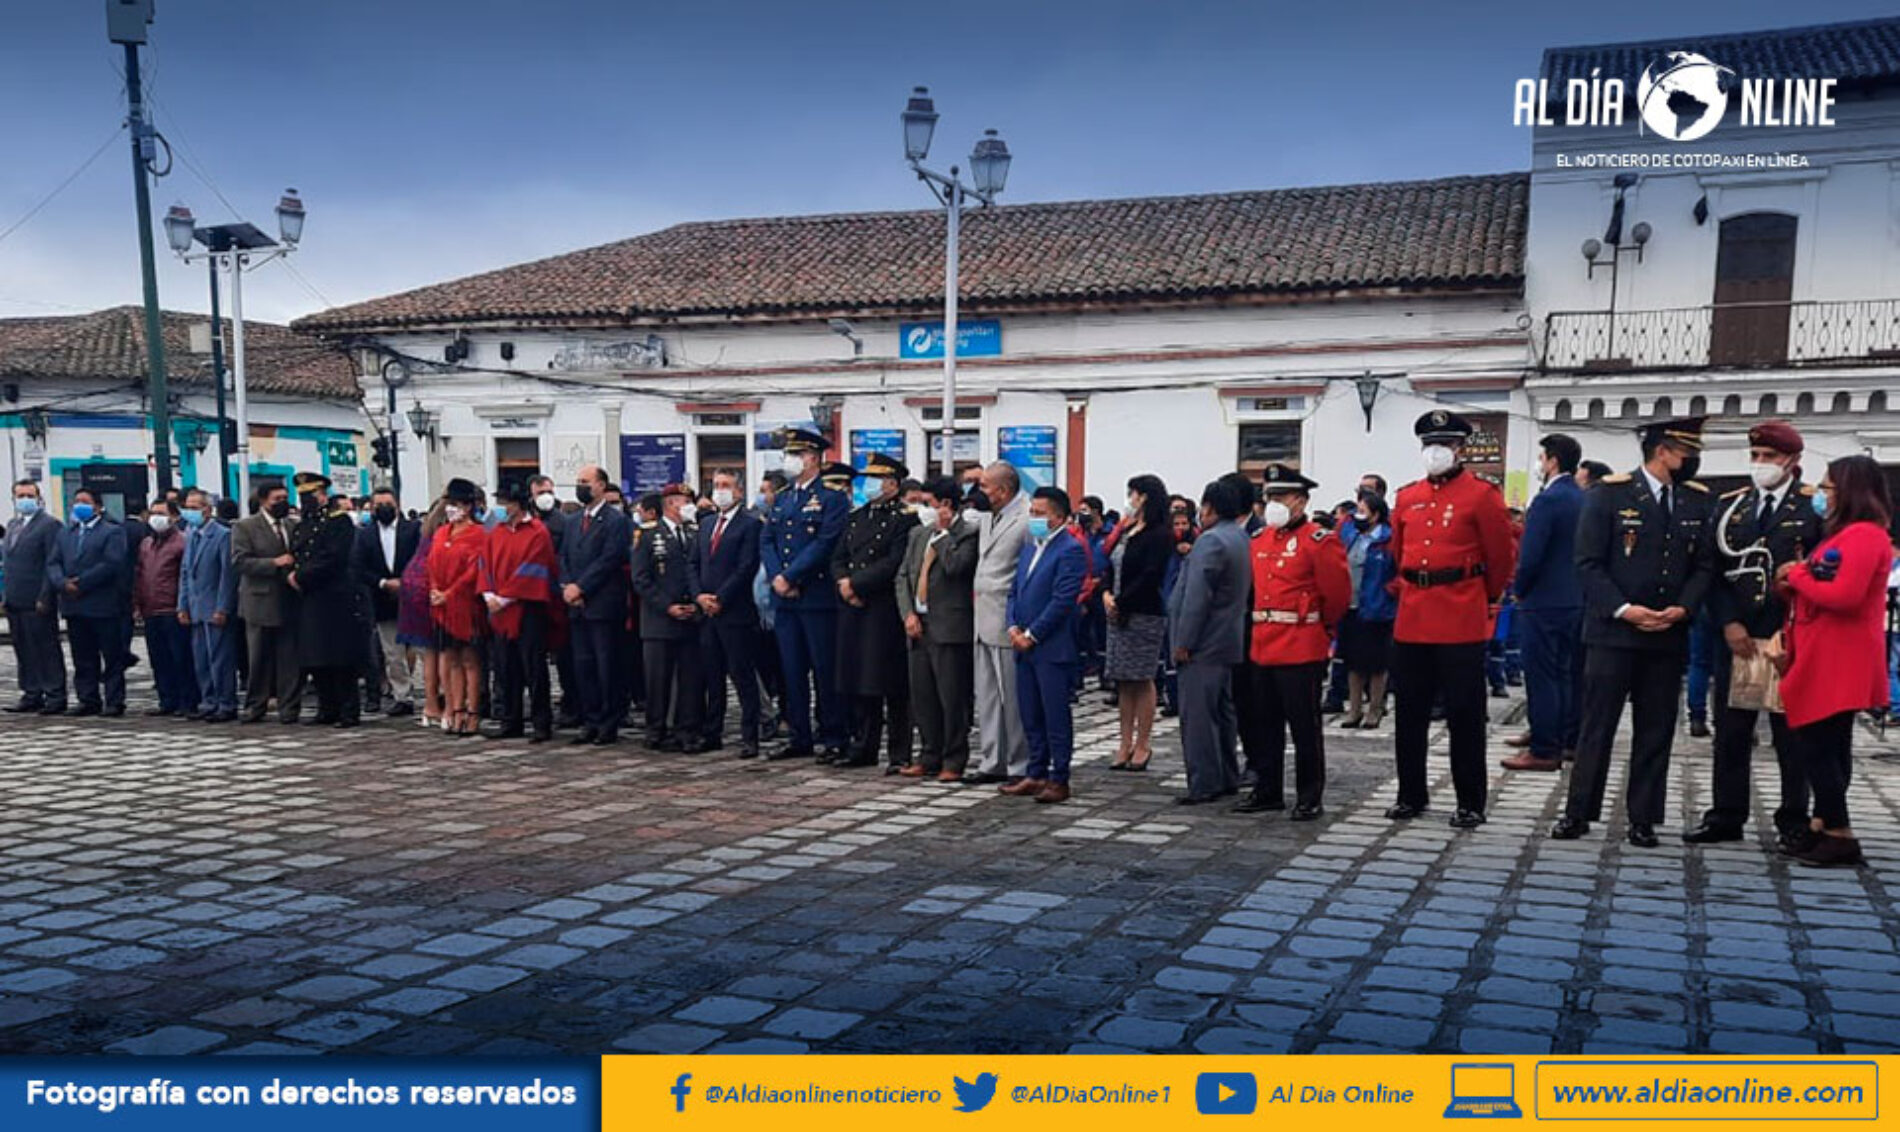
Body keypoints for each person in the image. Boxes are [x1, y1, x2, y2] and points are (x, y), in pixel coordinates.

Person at [1552, 417, 1715, 847]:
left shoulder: (1696, 501)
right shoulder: (1611, 494)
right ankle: (1579, 812)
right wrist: (1625, 609)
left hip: (1666, 634)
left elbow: (1704, 565)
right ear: (1662, 451)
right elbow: (1588, 562)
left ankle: (1642, 817)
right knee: (1597, 727)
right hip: (1614, 632)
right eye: (1686, 452)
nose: (1692, 461)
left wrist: (1684, 607)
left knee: (1656, 728)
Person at [1682, 421, 1826, 848]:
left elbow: (1821, 568)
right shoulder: (1733, 506)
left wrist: (1792, 629)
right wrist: (1728, 622)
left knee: (1791, 733)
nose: (1760, 465)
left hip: (1788, 636)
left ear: (1792, 462)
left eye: (1770, 458)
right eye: (1756, 457)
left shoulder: (1812, 507)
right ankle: (1726, 814)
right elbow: (1713, 570)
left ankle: (1793, 818)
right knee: (1731, 731)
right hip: (1739, 636)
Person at [1387, 410, 1517, 828]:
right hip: (1413, 613)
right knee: (1409, 712)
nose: (1436, 452)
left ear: (1461, 449)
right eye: (1429, 445)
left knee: (1464, 713)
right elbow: (1398, 553)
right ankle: (1411, 793)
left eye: (1444, 445)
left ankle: (1470, 800)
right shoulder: (1407, 496)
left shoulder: (1481, 495)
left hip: (1460, 612)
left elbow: (1500, 557)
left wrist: (1485, 597)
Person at [1775, 455, 1894, 866]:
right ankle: (1822, 823)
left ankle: (1840, 832)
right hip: (1822, 649)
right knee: (1826, 743)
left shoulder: (1864, 536)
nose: (1822, 496)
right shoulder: (1841, 536)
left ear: (1849, 491)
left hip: (1840, 656)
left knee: (1819, 746)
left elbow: (1844, 596)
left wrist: (1798, 576)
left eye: (1827, 488)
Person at [1233, 465, 1351, 819]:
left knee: (1304, 727)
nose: (1272, 504)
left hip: (1301, 645)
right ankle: (1267, 789)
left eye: (1280, 497)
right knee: (1263, 723)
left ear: (1300, 501)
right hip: (1263, 644)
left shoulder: (1320, 540)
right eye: (1269, 497)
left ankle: (1308, 795)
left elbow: (1337, 596)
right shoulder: (1260, 541)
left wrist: (1322, 630)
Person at [762, 429, 850, 761]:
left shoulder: (832, 497)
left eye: (795, 454)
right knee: (791, 670)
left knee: (823, 669)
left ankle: (833, 735)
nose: (789, 460)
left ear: (813, 457)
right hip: (785, 598)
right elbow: (767, 539)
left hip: (816, 596)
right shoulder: (784, 497)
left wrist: (791, 574)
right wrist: (776, 577)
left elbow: (826, 543)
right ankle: (799, 735)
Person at [998, 486, 1088, 804]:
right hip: (1022, 643)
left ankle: (1058, 777)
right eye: (1031, 512)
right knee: (1030, 714)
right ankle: (1035, 773)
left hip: (1050, 647)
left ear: (1059, 517)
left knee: (1055, 716)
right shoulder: (1029, 548)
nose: (1033, 518)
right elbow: (1014, 592)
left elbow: (1062, 601)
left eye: (1040, 513)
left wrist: (1032, 634)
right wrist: (1011, 626)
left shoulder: (1069, 549)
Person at [1501, 434, 1585, 773]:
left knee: (1542, 676)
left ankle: (1543, 746)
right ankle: (1565, 738)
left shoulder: (1548, 501)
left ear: (1552, 461)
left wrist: (1519, 587)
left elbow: (1531, 555)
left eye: (1541, 457)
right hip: (1574, 599)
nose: (1539, 463)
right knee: (1566, 674)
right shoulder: (1581, 497)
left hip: (1544, 600)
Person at [1169, 473, 1253, 805]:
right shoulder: (1240, 538)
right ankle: (1227, 775)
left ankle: (1204, 782)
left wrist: (1184, 641)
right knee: (1223, 714)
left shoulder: (1210, 541)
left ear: (1211, 507)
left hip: (1203, 642)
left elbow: (1197, 598)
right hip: (1227, 639)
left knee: (1199, 717)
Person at [831, 453, 918, 771]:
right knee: (859, 681)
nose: (868, 485)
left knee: (892, 684)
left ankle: (899, 752)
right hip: (853, 608)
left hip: (882, 608)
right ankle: (863, 746)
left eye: (875, 480)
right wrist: (843, 582)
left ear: (892, 484)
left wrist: (856, 584)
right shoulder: (857, 517)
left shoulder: (904, 517)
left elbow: (894, 562)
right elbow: (838, 555)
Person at [895, 476, 980, 780]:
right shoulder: (917, 534)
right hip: (919, 624)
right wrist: (908, 614)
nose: (921, 509)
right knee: (923, 697)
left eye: (927, 503)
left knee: (951, 696)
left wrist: (944, 534)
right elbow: (903, 576)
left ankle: (953, 759)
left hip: (950, 625)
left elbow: (956, 568)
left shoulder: (967, 534)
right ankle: (928, 754)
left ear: (945, 505)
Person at [689, 469, 764, 758]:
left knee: (742, 676)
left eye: (726, 485)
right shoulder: (706, 523)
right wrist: (699, 596)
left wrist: (721, 598)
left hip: (735, 612)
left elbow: (746, 567)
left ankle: (750, 736)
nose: (720, 490)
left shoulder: (749, 525)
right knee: (712, 676)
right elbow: (693, 563)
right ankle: (713, 732)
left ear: (739, 492)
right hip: (707, 612)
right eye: (716, 485)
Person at [287, 472, 371, 729]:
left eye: (310, 496)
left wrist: (301, 576)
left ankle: (348, 709)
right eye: (302, 497)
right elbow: (297, 553)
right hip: (310, 598)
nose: (306, 501)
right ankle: (327, 707)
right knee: (315, 656)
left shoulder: (338, 522)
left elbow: (334, 558)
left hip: (334, 597)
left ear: (322, 494)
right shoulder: (304, 524)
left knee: (339, 657)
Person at [480, 480, 563, 742]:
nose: (502, 508)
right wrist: (489, 594)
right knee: (506, 668)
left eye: (506, 503)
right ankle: (511, 720)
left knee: (534, 669)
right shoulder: (497, 532)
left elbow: (535, 568)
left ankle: (541, 723)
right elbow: (484, 564)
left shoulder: (537, 531)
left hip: (528, 608)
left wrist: (506, 598)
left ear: (518, 504)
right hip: (500, 610)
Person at [1103, 474, 1171, 771]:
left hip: (1142, 612)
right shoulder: (1127, 530)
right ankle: (1124, 742)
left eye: (1133, 494)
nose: (1130, 499)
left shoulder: (1159, 534)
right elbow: (1109, 563)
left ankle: (1143, 743)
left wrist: (1122, 602)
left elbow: (1150, 574)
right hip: (1116, 610)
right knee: (1123, 679)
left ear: (1144, 497)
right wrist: (1106, 595)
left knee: (1141, 677)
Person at [970, 460, 1032, 783]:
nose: (981, 492)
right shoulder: (986, 516)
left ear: (1004, 490)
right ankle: (991, 760)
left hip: (1007, 617)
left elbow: (1028, 571)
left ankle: (1018, 763)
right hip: (982, 615)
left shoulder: (1025, 519)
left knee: (1013, 697)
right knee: (988, 695)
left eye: (985, 486)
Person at [562, 464, 631, 746]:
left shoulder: (615, 521)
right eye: (578, 481)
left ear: (602, 485)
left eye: (586, 482)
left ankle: (608, 721)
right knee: (584, 665)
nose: (581, 486)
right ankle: (590, 719)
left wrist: (583, 586)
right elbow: (562, 557)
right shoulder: (573, 520)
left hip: (602, 603)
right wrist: (567, 585)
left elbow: (610, 559)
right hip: (576, 604)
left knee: (607, 666)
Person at [632, 486, 705, 752]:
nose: (689, 507)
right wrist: (667, 606)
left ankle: (686, 729)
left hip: (690, 616)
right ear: (670, 504)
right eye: (685, 502)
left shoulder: (693, 533)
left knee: (690, 678)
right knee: (657, 679)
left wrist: (695, 604)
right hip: (659, 619)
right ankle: (656, 730)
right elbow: (641, 579)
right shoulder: (648, 535)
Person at [48, 489, 131, 717]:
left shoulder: (112, 532)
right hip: (74, 606)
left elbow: (111, 564)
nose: (79, 506)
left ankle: (114, 701)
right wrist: (63, 583)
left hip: (103, 605)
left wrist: (82, 583)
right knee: (82, 657)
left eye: (84, 502)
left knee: (112, 657)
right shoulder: (66, 533)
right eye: (76, 502)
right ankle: (88, 698)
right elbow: (53, 562)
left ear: (97, 506)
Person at [233, 484, 302, 723]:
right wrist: (273, 563)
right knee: (259, 658)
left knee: (289, 658)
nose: (282, 502)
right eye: (277, 499)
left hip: (290, 599)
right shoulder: (246, 527)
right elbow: (240, 561)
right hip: (260, 601)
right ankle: (256, 705)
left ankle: (289, 707)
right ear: (263, 501)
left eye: (285, 498)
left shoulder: (293, 526)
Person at [428, 478, 489, 737]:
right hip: (442, 605)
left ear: (468, 507)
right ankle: (454, 709)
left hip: (466, 606)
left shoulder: (478, 534)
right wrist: (435, 590)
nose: (452, 509)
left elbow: (473, 571)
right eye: (450, 504)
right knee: (451, 659)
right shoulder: (442, 533)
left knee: (469, 660)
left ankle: (472, 711)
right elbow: (431, 563)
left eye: (457, 504)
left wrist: (449, 594)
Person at [354, 487, 421, 716]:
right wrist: (383, 582)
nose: (384, 508)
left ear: (397, 505)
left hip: (414, 596)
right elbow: (359, 567)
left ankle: (436, 693)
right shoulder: (365, 535)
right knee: (393, 652)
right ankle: (403, 696)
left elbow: (421, 559)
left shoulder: (412, 530)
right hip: (383, 598)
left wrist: (407, 582)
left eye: (388, 504)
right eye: (379, 504)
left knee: (423, 649)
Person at [1334, 488, 1396, 729]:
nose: (1357, 516)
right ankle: (1354, 710)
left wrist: (1388, 593)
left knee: (1376, 663)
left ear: (1376, 515)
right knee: (1352, 661)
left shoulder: (1387, 540)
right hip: (1351, 605)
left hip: (1377, 608)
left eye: (1363, 511)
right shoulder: (1351, 536)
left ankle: (1375, 709)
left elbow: (1398, 571)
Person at [3, 480, 67, 715]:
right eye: (20, 495)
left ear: (39, 498)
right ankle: (31, 692)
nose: (24, 499)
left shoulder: (49, 525)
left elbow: (51, 563)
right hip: (15, 599)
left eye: (29, 495)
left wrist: (45, 596)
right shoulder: (13, 525)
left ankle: (55, 694)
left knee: (45, 649)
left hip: (37, 600)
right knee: (23, 649)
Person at [133, 499, 198, 717]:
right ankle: (166, 700)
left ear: (174, 517)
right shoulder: (146, 544)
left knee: (180, 658)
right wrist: (137, 604)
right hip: (151, 609)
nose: (155, 517)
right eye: (152, 512)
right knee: (159, 659)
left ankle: (186, 701)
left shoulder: (182, 542)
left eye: (160, 513)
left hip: (173, 609)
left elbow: (186, 576)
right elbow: (140, 575)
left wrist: (184, 605)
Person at [178, 489, 238, 722]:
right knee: (201, 658)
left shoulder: (222, 535)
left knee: (220, 658)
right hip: (195, 606)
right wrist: (182, 605)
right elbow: (185, 572)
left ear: (207, 509)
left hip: (214, 605)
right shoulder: (190, 533)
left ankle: (226, 702)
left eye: (195, 507)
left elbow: (227, 576)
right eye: (187, 507)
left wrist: (223, 607)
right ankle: (208, 700)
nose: (189, 512)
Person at [401, 500, 447, 728]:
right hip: (430, 588)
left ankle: (430, 706)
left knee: (430, 651)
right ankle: (446, 704)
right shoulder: (444, 534)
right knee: (445, 651)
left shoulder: (426, 530)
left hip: (413, 587)